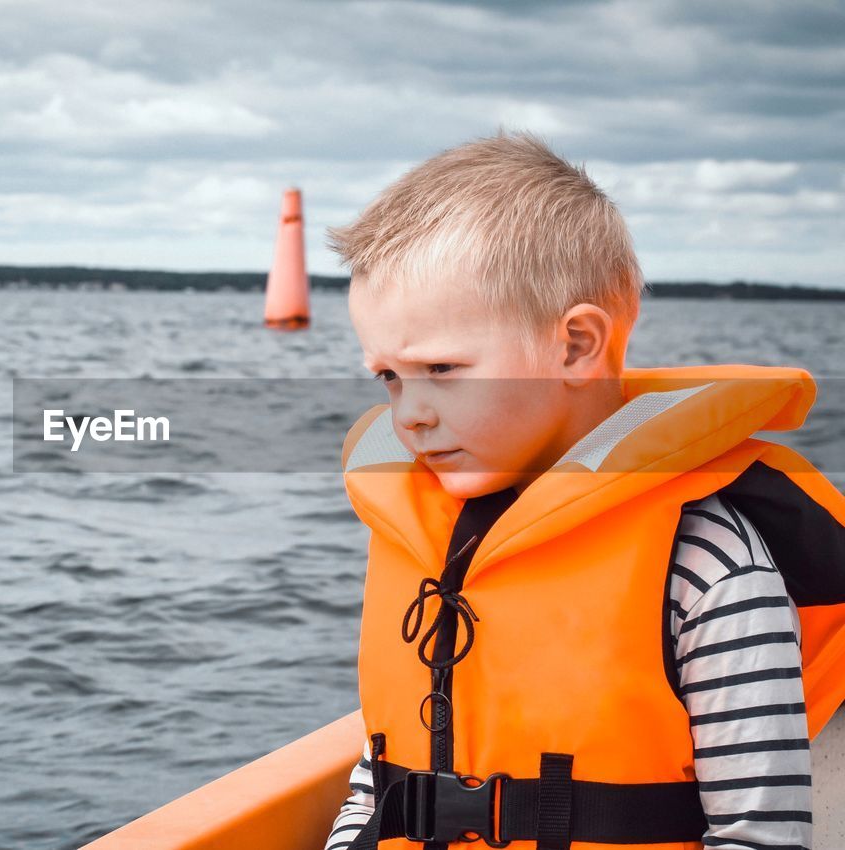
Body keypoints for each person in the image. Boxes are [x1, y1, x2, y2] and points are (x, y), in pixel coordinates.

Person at [322, 130, 845, 850]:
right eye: (388, 377)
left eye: (441, 368)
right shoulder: (437, 543)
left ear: (575, 345)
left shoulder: (710, 562)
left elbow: (762, 834)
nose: (407, 413)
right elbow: (381, 778)